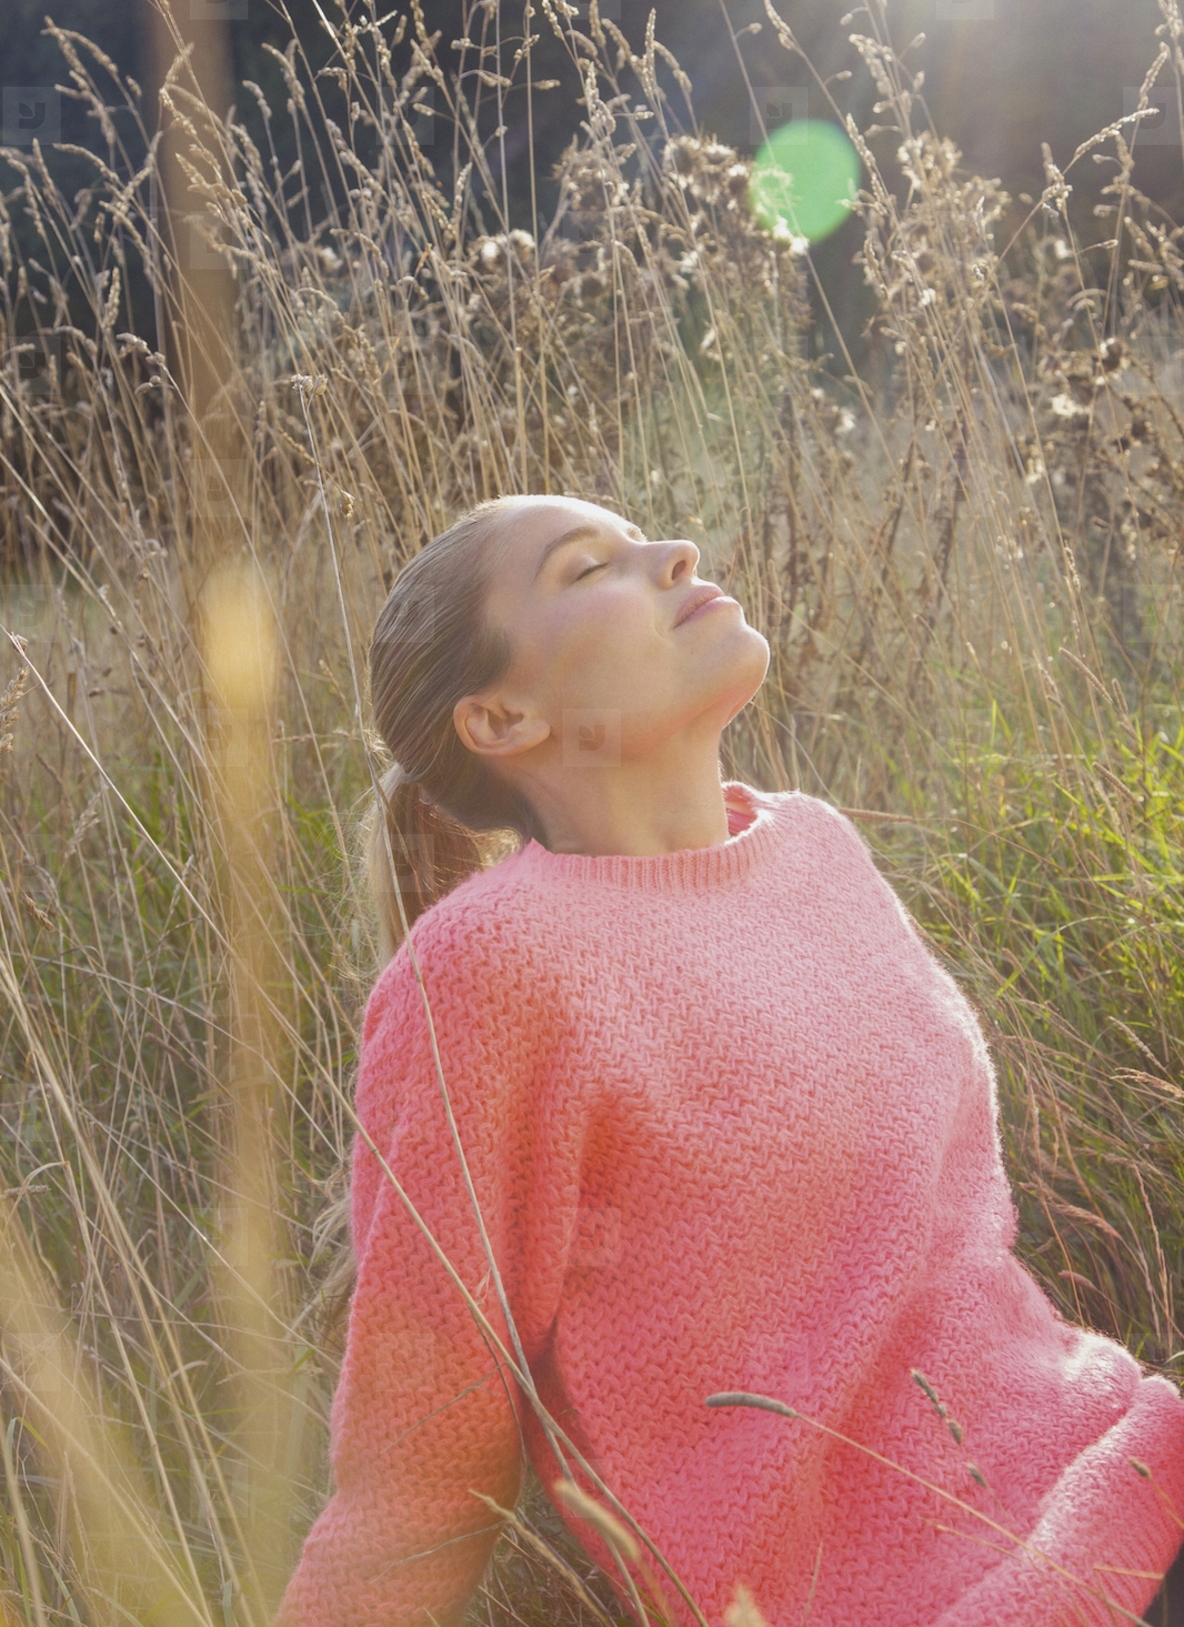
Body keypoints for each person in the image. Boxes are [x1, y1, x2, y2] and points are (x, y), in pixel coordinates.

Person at [276, 492, 1184, 1627]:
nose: (675, 553)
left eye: (644, 536)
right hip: (967, 1603)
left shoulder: (816, 850)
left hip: (1131, 1463)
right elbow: (415, 1490)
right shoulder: (487, 971)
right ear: (502, 717)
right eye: (587, 566)